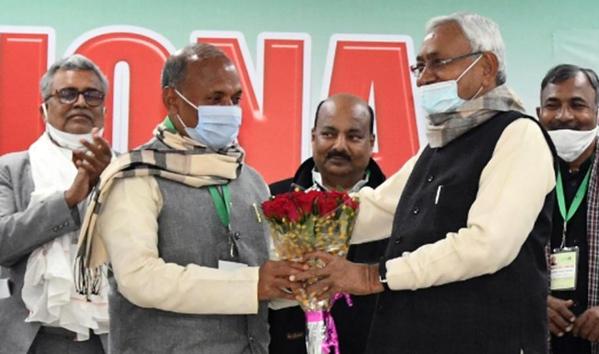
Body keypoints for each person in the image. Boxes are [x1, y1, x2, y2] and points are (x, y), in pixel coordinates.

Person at [294, 12, 556, 353]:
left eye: (438, 63)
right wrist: (289, 225)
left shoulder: (518, 135)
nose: (424, 78)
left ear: (486, 67)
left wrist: (373, 276)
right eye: (420, 66)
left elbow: (486, 246)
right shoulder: (440, 143)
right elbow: (377, 208)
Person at [75, 43, 302, 354]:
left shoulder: (250, 179)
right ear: (172, 100)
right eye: (215, 99)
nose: (229, 110)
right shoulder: (136, 175)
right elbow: (140, 278)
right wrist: (252, 284)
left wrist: (299, 281)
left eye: (235, 99)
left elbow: (265, 281)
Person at [0, 55, 111, 354]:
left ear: (103, 109)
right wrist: (69, 200)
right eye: (67, 93)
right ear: (44, 109)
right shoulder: (11, 169)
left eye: (92, 95)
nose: (80, 103)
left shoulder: (126, 169)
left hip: (106, 337)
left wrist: (104, 184)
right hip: (30, 338)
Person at [268, 93, 387, 354]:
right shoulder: (272, 201)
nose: (339, 146)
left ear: (371, 142)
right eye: (329, 134)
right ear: (313, 137)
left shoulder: (398, 208)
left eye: (354, 136)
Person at [537, 64, 599, 354]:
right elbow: (488, 258)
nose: (564, 116)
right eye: (552, 105)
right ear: (539, 114)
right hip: (532, 338)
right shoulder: (511, 179)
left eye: (577, 105)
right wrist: (530, 299)